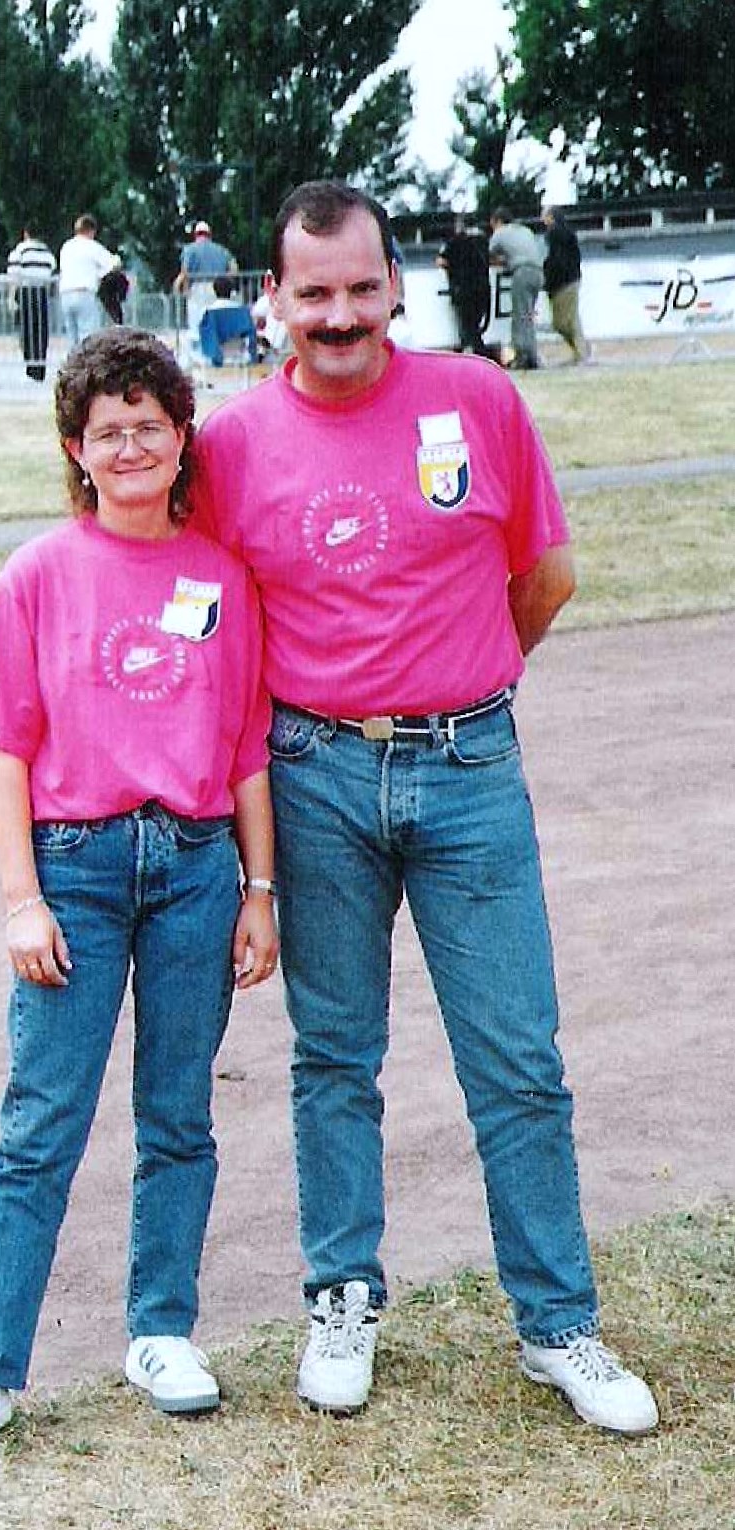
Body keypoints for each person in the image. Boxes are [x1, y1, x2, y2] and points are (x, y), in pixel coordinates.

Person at [193, 179, 658, 1436]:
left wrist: (456, 691)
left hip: (469, 773)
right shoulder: (231, 446)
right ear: (273, 301)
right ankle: (342, 1295)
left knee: (516, 1058)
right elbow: (209, 620)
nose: (339, 316)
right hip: (313, 777)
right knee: (334, 1057)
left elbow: (545, 576)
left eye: (360, 289)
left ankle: (557, 1323)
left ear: (395, 284)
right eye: (313, 294)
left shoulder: (479, 400)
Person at [0, 328, 279, 1472]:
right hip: (74, 866)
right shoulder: (37, 574)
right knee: (41, 1125)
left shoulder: (219, 578)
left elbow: (248, 749)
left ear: (181, 441)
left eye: (149, 426)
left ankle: (161, 1329)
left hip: (194, 868)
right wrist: (21, 900)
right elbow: (3, 751)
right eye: (105, 429)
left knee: (179, 1115)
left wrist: (258, 888)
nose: (128, 445)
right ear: (78, 449)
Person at [489, 206, 544, 369]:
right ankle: (532, 355)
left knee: (520, 316)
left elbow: (488, 254)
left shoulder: (500, 233)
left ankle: (522, 357)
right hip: (538, 273)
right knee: (528, 316)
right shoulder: (526, 231)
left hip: (522, 272)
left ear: (498, 221)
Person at [58, 214, 120, 348]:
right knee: (88, 338)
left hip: (65, 294)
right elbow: (112, 263)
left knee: (72, 339)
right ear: (91, 230)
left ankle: (72, 367)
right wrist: (100, 274)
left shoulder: (66, 247)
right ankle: (87, 367)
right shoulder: (92, 246)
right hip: (84, 294)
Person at [436, 215, 493, 356]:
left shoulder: (456, 241)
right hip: (483, 286)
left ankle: (476, 352)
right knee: (476, 323)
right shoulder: (483, 241)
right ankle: (478, 351)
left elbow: (441, 261)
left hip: (463, 288)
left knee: (467, 326)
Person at [6, 226, 56, 382]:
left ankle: (30, 368)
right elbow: (52, 271)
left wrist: (11, 297)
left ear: (25, 233)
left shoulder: (20, 250)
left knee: (27, 331)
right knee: (41, 332)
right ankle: (40, 369)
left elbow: (14, 275)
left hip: (25, 292)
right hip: (41, 292)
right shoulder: (47, 253)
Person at [173, 220, 238, 338]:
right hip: (217, 288)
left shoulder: (190, 249)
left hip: (198, 289)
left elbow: (185, 271)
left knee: (197, 324)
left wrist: (184, 289)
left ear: (196, 235)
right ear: (209, 235)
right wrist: (226, 281)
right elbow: (234, 269)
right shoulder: (222, 250)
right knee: (215, 323)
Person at [542, 206, 591, 364]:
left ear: (551, 217)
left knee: (564, 322)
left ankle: (581, 352)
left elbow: (553, 259)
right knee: (568, 320)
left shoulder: (553, 235)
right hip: (571, 279)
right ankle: (580, 350)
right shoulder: (569, 234)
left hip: (562, 282)